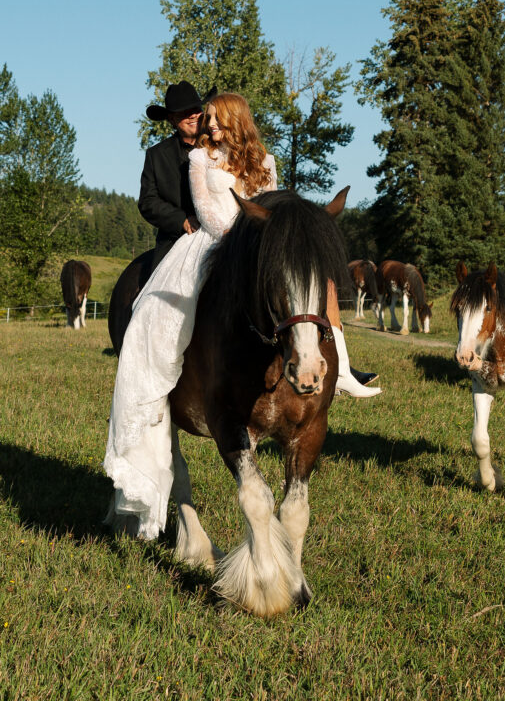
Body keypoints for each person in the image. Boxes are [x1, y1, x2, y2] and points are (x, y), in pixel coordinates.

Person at [105, 92, 378, 540]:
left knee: (309, 286)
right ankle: (169, 368)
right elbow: (210, 214)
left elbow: (273, 202)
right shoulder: (198, 161)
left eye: (213, 118)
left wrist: (275, 238)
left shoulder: (265, 160)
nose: (206, 125)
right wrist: (250, 239)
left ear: (235, 120)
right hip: (215, 243)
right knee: (174, 307)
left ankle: (342, 365)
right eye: (202, 118)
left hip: (259, 241)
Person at [139, 80, 217, 270]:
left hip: (219, 236)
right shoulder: (156, 155)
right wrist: (180, 220)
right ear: (172, 119)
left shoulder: (220, 146)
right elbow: (148, 201)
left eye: (196, 109)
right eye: (183, 113)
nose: (192, 116)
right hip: (175, 239)